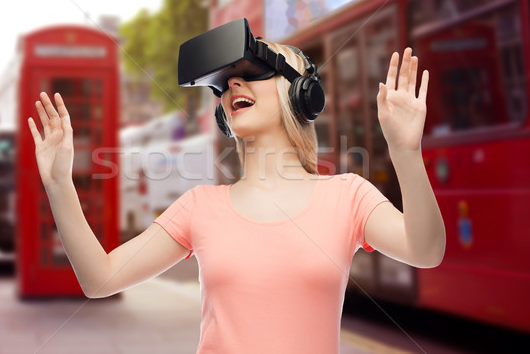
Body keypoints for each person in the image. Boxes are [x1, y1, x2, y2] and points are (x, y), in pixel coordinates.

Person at [27, 43, 446, 353]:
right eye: (224, 84)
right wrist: (60, 185)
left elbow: (425, 251)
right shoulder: (199, 206)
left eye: (254, 70)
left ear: (303, 95)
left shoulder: (348, 195)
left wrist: (406, 152)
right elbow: (100, 279)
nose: (233, 85)